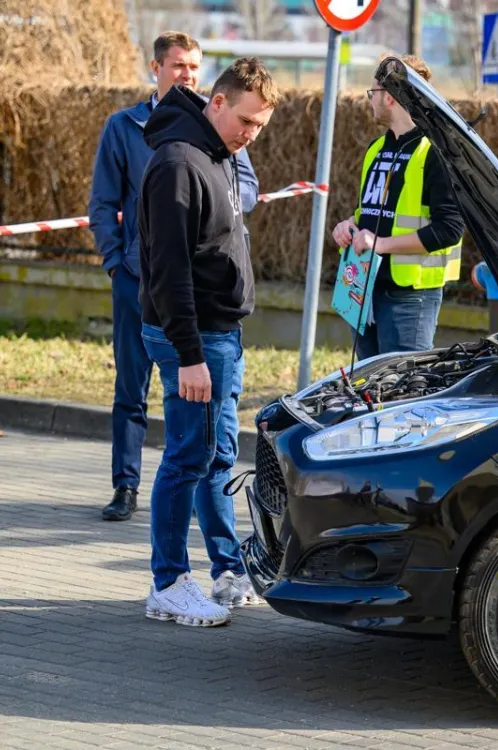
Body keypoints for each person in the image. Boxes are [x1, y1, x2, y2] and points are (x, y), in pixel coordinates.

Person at [89, 31, 259, 522]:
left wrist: (217, 204)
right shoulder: (125, 126)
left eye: (193, 67)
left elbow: (245, 184)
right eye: (178, 65)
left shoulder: (220, 124)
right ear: (156, 68)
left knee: (198, 421)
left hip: (194, 289)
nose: (187, 75)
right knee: (131, 385)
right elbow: (102, 202)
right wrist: (116, 262)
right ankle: (125, 485)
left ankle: (211, 540)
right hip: (138, 279)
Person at [137, 58, 281, 626]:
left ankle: (226, 568)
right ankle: (168, 582)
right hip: (192, 341)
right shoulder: (178, 163)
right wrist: (190, 357)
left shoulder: (221, 155)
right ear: (215, 102)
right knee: (185, 459)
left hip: (220, 335)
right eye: (246, 121)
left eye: (261, 126)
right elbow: (167, 273)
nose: (252, 134)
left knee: (217, 455)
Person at [331, 54, 465, 359]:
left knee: (401, 396)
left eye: (373, 93)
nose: (370, 101)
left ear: (390, 96)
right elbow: (371, 210)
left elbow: (449, 230)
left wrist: (380, 244)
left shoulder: (435, 152)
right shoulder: (377, 148)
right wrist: (348, 225)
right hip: (364, 287)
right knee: (367, 390)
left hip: (410, 298)